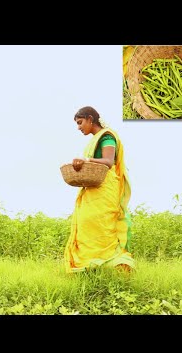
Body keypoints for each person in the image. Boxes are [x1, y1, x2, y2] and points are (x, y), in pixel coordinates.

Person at [64, 106, 134, 273]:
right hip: (93, 190)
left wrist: (86, 159)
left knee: (102, 227)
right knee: (86, 224)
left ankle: (113, 265)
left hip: (105, 190)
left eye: (80, 122)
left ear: (90, 119)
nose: (79, 127)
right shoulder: (95, 139)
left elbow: (109, 162)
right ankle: (89, 268)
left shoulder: (107, 136)